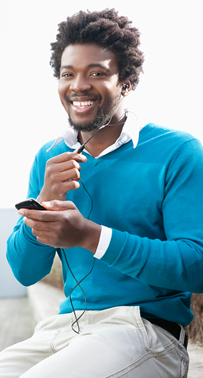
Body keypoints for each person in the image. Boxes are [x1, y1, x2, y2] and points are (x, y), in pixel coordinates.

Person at [0, 8, 203, 378]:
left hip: (145, 331)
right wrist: (42, 203)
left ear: (125, 82)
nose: (78, 85)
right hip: (64, 329)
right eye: (67, 74)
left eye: (96, 73)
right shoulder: (48, 158)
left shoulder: (178, 151)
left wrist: (88, 236)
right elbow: (25, 272)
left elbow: (197, 265)